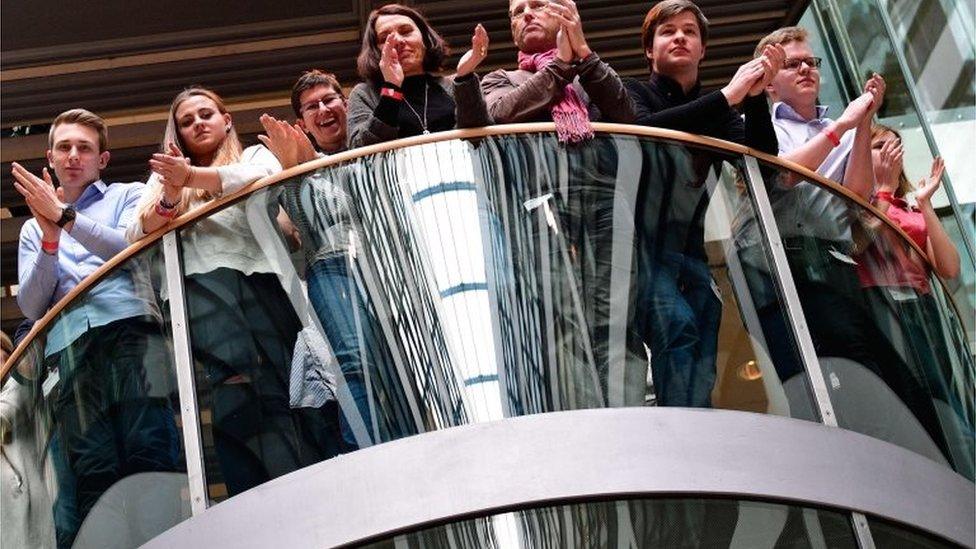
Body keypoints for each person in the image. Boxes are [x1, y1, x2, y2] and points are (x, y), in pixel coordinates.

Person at [126, 87, 310, 497]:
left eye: (206, 114)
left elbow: (258, 178)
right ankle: (254, 496)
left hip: (260, 280)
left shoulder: (252, 156)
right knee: (233, 386)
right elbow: (135, 231)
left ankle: (300, 487)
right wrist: (173, 193)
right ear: (179, 134)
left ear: (226, 119)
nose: (198, 124)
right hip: (202, 286)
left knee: (281, 384)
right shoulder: (164, 179)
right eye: (187, 121)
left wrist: (189, 178)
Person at [13, 108, 181, 547]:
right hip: (69, 347)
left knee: (150, 444)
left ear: (102, 159)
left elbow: (130, 246)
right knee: (92, 463)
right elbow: (31, 305)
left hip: (130, 329)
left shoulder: (127, 194)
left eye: (84, 148)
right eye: (64, 147)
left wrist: (66, 218)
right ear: (49, 157)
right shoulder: (33, 228)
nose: (73, 156)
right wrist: (50, 239)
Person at [623, 0, 783, 408]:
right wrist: (729, 95)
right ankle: (680, 434)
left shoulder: (720, 108)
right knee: (675, 328)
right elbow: (646, 132)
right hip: (643, 248)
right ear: (649, 49)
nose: (680, 37)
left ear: (702, 49)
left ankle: (694, 426)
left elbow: (761, 160)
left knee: (704, 340)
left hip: (690, 251)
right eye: (668, 31)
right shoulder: (634, 91)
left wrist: (755, 95)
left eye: (689, 31)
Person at [257, 70, 397, 452]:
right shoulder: (289, 164)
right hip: (332, 266)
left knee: (402, 367)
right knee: (352, 366)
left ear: (346, 102)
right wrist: (295, 168)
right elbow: (309, 221)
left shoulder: (373, 143)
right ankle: (370, 460)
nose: (323, 109)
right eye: (311, 107)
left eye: (329, 100)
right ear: (301, 123)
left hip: (392, 266)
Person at [859, 125, 973, 470]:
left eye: (895, 145)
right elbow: (859, 242)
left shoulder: (907, 204)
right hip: (886, 303)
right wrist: (882, 189)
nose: (891, 152)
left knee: (948, 397)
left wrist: (924, 204)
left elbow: (949, 268)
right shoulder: (859, 199)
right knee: (927, 398)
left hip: (924, 308)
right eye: (879, 146)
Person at [348, 4, 491, 147]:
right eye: (385, 38)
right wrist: (391, 88)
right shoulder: (364, 93)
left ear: (425, 38)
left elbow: (480, 136)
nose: (397, 41)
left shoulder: (455, 84)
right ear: (375, 51)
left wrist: (465, 76)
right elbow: (359, 147)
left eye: (406, 32)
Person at [482, 0, 634, 133]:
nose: (527, 14)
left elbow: (626, 115)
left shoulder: (592, 71)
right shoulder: (499, 78)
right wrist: (560, 65)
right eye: (518, 12)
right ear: (514, 34)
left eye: (538, 6)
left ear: (563, 17)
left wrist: (583, 51)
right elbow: (497, 115)